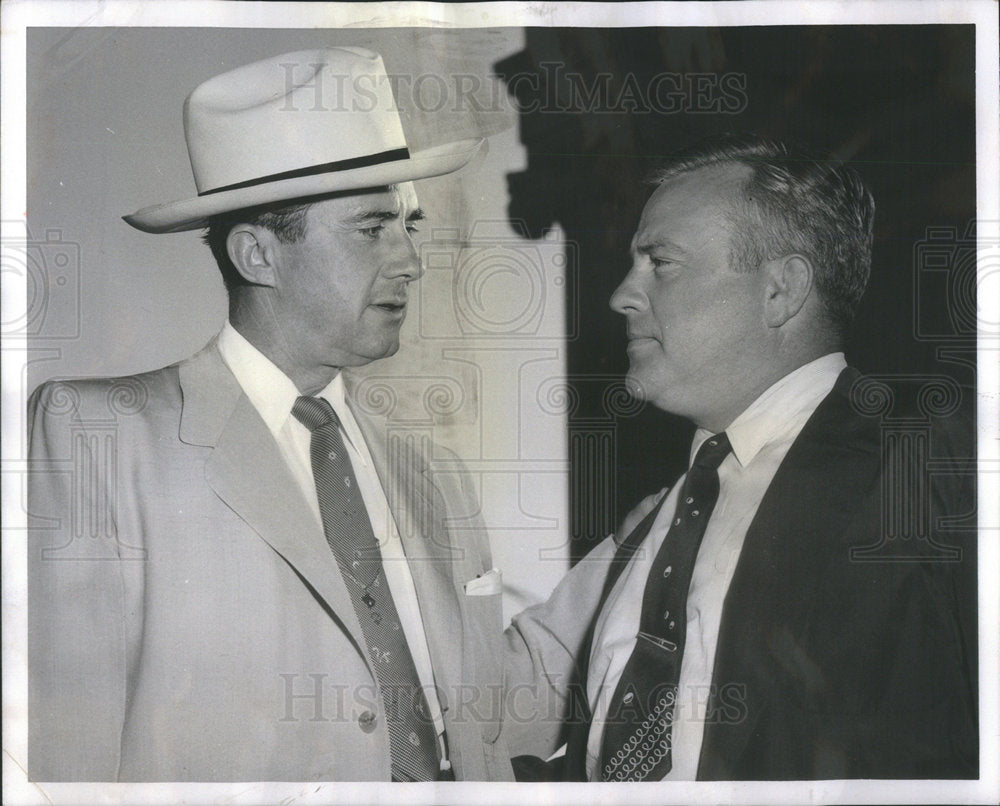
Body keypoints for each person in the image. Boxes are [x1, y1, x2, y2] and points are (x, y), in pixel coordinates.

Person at [28, 47, 512, 782]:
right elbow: (63, 752)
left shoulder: (433, 475)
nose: (411, 259)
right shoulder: (101, 438)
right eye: (372, 227)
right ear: (257, 254)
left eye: (409, 225)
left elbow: (496, 714)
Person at [503, 134, 978, 780]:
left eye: (659, 263)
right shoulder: (655, 526)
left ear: (781, 290)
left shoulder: (934, 478)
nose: (622, 294)